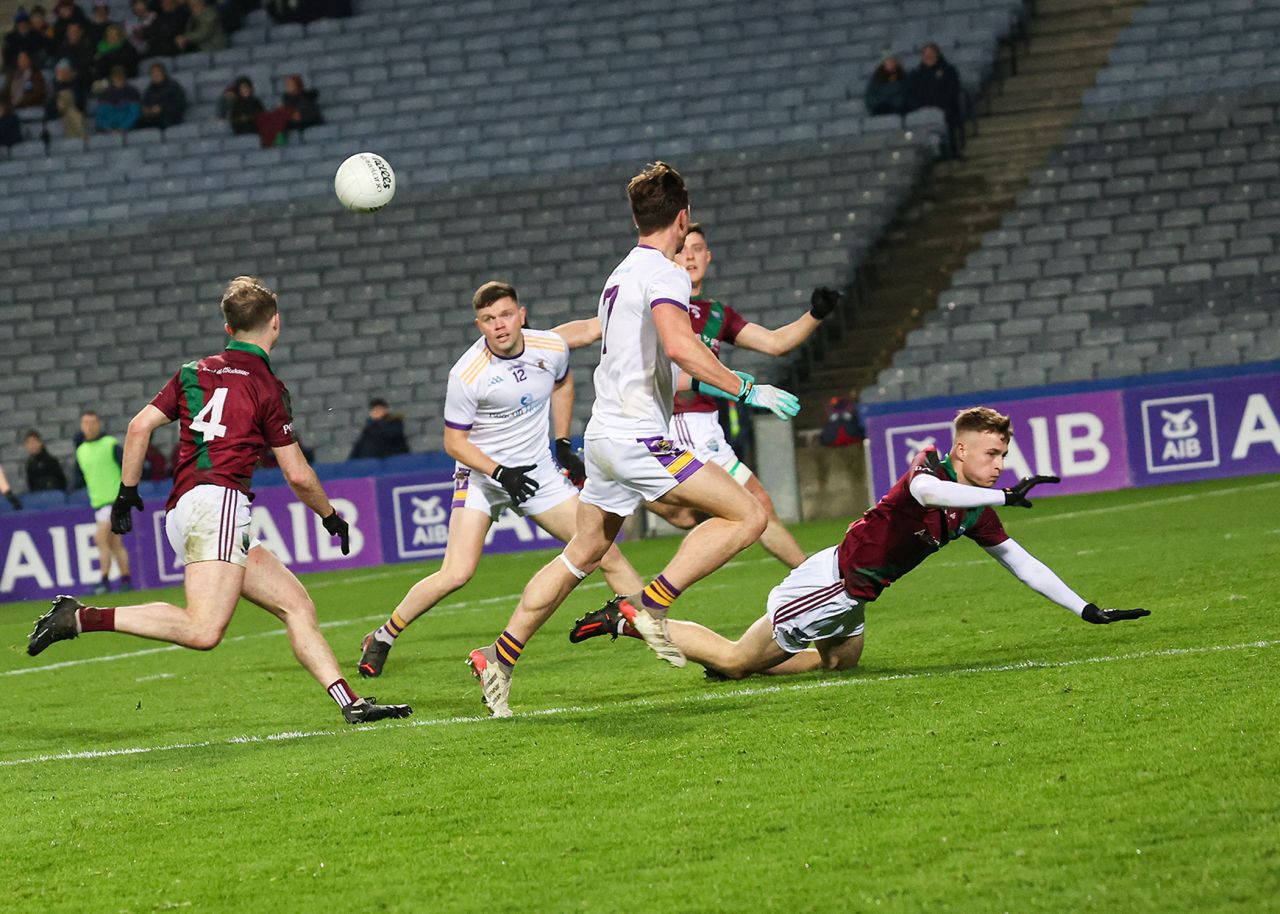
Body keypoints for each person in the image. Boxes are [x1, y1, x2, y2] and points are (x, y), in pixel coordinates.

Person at [464, 162, 801, 717]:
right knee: (748, 517)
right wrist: (746, 387)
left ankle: (497, 657)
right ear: (683, 216)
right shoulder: (666, 274)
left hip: (605, 437)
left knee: (584, 553)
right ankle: (644, 606)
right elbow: (678, 345)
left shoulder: (620, 273)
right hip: (637, 438)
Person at [27, 276, 412, 726]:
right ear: (276, 324)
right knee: (204, 630)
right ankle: (81, 617)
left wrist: (127, 493)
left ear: (228, 329)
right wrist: (330, 516)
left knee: (296, 604)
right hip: (218, 506)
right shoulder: (267, 386)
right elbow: (296, 473)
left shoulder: (193, 371)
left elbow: (138, 427)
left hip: (185, 509)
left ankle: (351, 703)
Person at [570, 407, 1150, 679]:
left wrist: (1085, 608)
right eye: (992, 454)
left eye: (1004, 455)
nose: (1000, 464)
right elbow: (923, 489)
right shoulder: (928, 470)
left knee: (842, 663)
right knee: (732, 659)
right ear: (964, 451)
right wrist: (1001, 498)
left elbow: (1022, 564)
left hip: (852, 597)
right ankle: (628, 617)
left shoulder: (973, 513)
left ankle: (751, 659)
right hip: (828, 589)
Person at [356, 281, 646, 679]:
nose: (500, 325)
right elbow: (453, 442)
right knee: (456, 573)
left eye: (506, 315)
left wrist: (562, 442)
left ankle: (657, 628)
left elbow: (563, 382)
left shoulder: (550, 348)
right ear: (480, 325)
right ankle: (383, 637)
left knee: (604, 551)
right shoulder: (467, 373)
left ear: (521, 315)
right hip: (482, 478)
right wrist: (498, 472)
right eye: (490, 319)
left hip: (537, 475)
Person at [555, 222, 839, 569]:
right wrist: (534, 343)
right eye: (683, 247)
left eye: (698, 248)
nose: (689, 255)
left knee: (690, 515)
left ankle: (624, 483)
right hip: (675, 422)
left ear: (709, 256)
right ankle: (817, 580)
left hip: (707, 426)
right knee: (752, 506)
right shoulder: (648, 295)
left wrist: (815, 315)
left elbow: (775, 342)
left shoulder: (717, 313)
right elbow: (588, 328)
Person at [74, 410, 131, 594]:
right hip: (99, 503)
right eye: (85, 423)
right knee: (114, 543)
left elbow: (127, 466)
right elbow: (80, 477)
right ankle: (126, 580)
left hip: (114, 500)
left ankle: (104, 581)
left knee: (100, 538)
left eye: (92, 422)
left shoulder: (110, 445)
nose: (89, 427)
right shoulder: (81, 451)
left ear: (99, 424)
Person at [907, 42, 964, 159]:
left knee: (947, 116)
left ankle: (951, 151)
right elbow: (910, 95)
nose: (929, 57)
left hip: (945, 108)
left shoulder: (949, 70)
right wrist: (920, 107)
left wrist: (938, 105)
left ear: (937, 55)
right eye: (926, 55)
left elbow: (953, 90)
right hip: (921, 110)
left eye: (931, 54)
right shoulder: (915, 75)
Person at [44, 57, 87, 138]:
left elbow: (81, 104)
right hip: (57, 117)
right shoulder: (53, 88)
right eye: (59, 72)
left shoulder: (77, 86)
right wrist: (57, 106)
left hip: (74, 113)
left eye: (64, 72)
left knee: (72, 111)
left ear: (70, 72)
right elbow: (48, 107)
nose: (61, 74)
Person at [136, 60, 186, 129]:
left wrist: (162, 108)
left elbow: (180, 103)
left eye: (157, 72)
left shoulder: (173, 86)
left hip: (170, 116)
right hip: (154, 117)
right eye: (153, 73)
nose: (155, 75)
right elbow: (144, 101)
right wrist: (145, 108)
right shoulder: (150, 88)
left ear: (163, 73)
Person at [93, 64, 140, 133]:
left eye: (121, 75)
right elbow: (100, 115)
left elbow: (134, 113)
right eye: (115, 76)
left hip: (128, 130)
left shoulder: (132, 92)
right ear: (111, 77)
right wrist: (107, 128)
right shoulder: (105, 94)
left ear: (125, 77)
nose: (118, 78)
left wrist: (123, 127)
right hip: (107, 132)